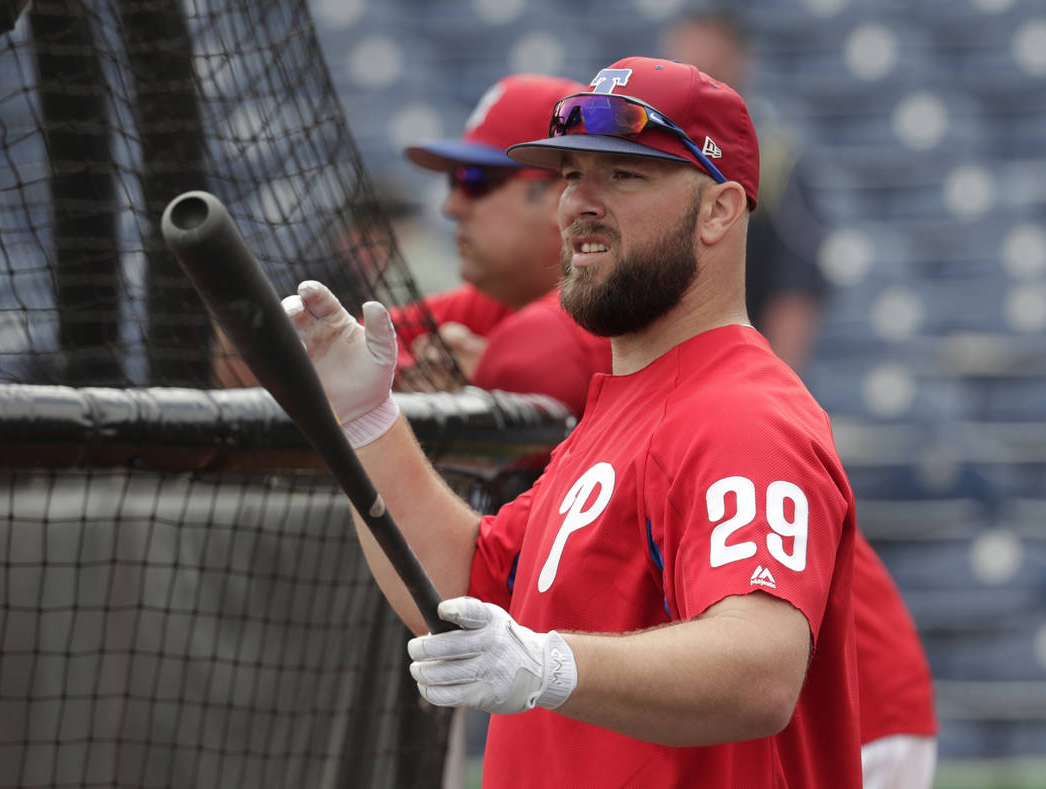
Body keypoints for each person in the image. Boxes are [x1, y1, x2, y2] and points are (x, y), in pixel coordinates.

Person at [284, 56, 863, 786]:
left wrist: (551, 664)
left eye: (624, 175)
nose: (579, 203)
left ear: (718, 210)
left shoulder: (742, 412)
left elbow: (761, 667)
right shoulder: (623, 408)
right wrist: (365, 421)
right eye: (568, 175)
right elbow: (468, 584)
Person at [664, 10, 939, 786]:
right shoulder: (658, 164)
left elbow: (797, 284)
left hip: (737, 382)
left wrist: (767, 382)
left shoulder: (771, 162)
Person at [392, 73, 611, 416]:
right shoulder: (503, 295)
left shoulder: (614, 304)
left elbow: (527, 360)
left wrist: (478, 382)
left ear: (563, 198)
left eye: (476, 180)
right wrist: (431, 374)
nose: (451, 207)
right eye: (454, 179)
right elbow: (350, 342)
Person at [662, 8, 828, 374]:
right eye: (688, 66)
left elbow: (794, 291)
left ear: (743, 62)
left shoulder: (775, 164)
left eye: (713, 70)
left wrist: (773, 385)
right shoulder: (638, 154)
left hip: (735, 369)